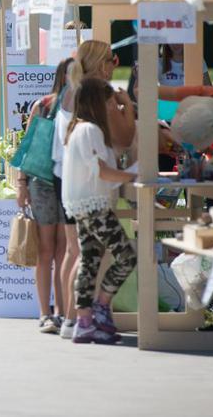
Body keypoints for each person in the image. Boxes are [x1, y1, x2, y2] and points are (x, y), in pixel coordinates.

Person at [52, 40, 135, 340]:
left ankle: (82, 320)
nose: (113, 107)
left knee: (87, 259)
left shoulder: (78, 126)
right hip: (93, 204)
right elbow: (102, 169)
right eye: (110, 103)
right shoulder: (90, 129)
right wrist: (132, 175)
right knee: (125, 256)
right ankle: (97, 308)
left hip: (79, 202)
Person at [16, 58, 73, 334]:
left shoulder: (84, 107)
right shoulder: (44, 106)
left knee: (65, 250)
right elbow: (27, 147)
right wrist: (21, 183)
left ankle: (61, 311)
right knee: (45, 249)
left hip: (71, 182)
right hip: (43, 181)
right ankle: (45, 313)